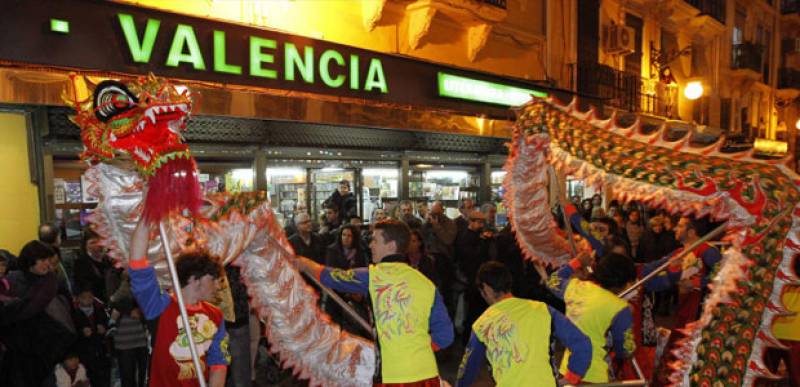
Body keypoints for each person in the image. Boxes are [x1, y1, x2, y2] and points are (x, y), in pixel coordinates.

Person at [297, 219, 454, 385]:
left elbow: (333, 277)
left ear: (391, 245)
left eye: (375, 240)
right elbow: (445, 336)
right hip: (428, 374)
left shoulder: (373, 276)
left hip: (394, 377)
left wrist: (306, 265)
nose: (370, 245)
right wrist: (416, 349)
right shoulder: (425, 283)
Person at [128, 220, 230, 387]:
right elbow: (137, 265)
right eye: (213, 279)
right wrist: (148, 214)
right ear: (194, 280)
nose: (218, 286)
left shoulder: (216, 316)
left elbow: (219, 362)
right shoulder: (159, 306)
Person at [456, 262, 591, 386]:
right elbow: (582, 344)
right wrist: (570, 379)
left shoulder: (481, 325)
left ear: (486, 288)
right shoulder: (543, 310)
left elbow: (467, 370)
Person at [643, 217, 721, 384]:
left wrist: (697, 283)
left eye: (679, 226)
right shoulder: (679, 252)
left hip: (700, 309)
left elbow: (723, 274)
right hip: (683, 309)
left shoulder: (708, 250)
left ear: (691, 232)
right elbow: (655, 266)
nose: (674, 229)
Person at [548, 252, 637, 383]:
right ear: (623, 282)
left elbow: (552, 281)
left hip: (569, 370)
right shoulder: (621, 308)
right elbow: (625, 350)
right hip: (595, 376)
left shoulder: (577, 287)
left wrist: (577, 262)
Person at [0, 240, 76, 387]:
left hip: (43, 350)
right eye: (42, 260)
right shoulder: (12, 279)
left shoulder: (50, 281)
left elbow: (62, 309)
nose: (47, 264)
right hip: (15, 351)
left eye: (48, 260)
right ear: (30, 260)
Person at [109, 272, 149, 387]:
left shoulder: (142, 286)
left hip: (140, 337)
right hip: (124, 339)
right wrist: (128, 309)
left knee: (143, 374)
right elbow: (110, 303)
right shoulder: (115, 281)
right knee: (127, 376)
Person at [72, 286, 111, 387]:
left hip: (100, 351)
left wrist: (104, 328)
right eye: (84, 297)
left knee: (103, 379)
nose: (87, 300)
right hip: (84, 353)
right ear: (78, 298)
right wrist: (81, 332)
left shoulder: (99, 309)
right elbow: (72, 332)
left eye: (90, 297)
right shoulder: (74, 313)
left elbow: (108, 324)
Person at [74, 227, 113, 303]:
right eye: (93, 242)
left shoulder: (108, 259)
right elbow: (85, 286)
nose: (98, 245)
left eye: (100, 241)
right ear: (85, 245)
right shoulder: (81, 262)